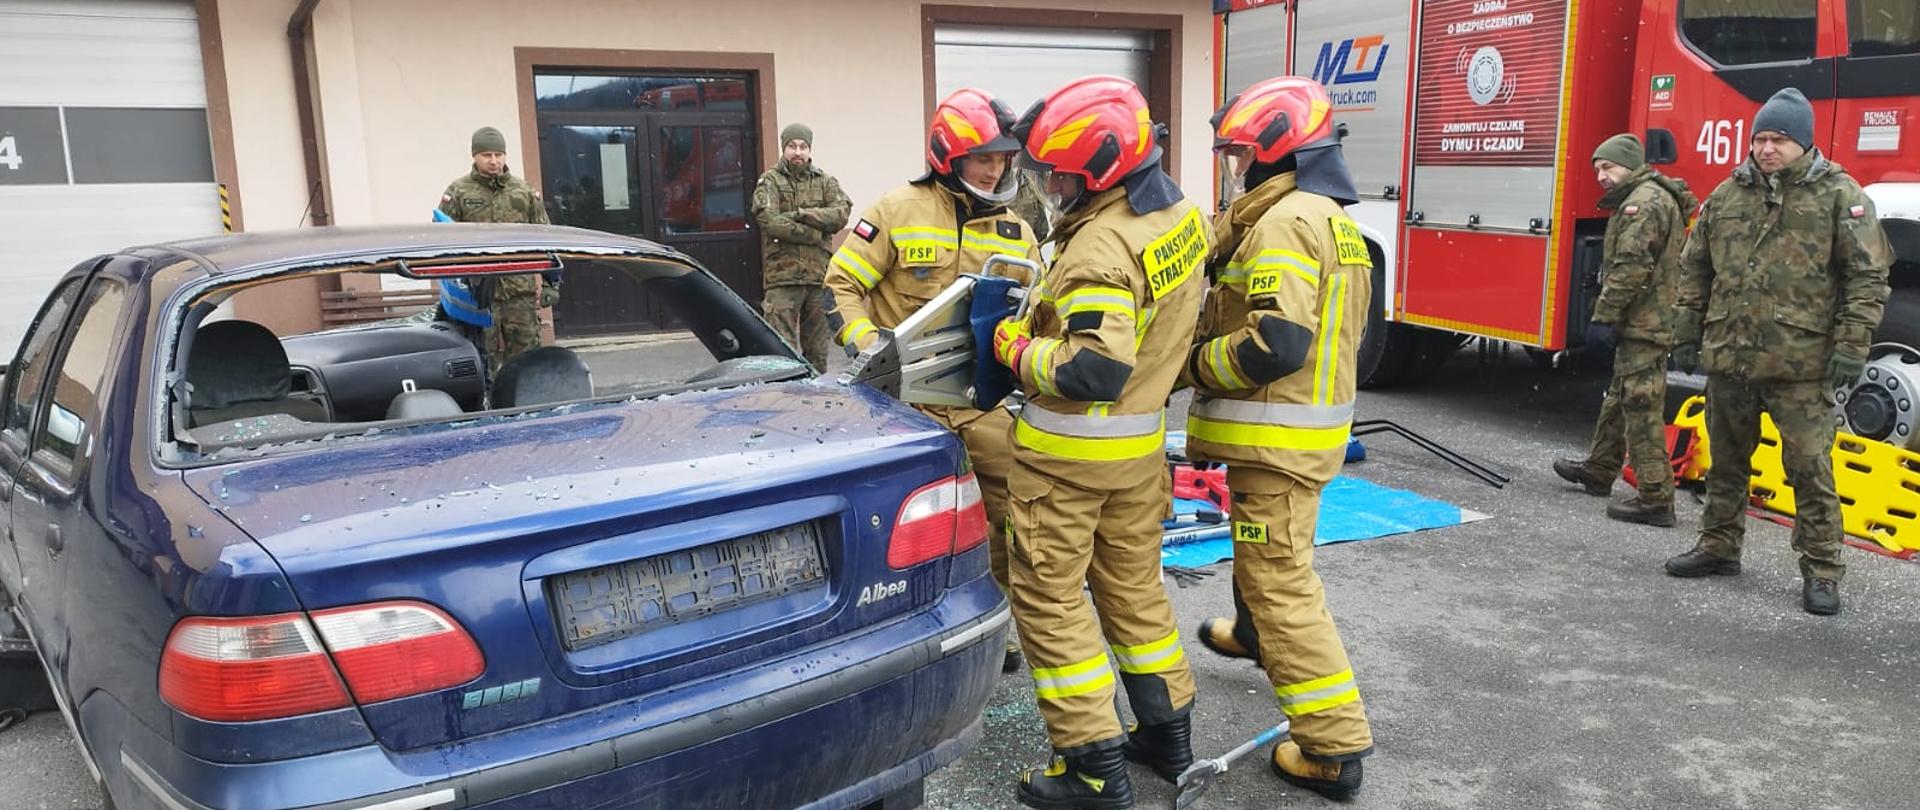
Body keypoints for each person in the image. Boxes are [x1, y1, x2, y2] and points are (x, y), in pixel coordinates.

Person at [992, 75, 1206, 809]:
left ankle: (1092, 770)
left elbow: (1093, 366)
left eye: (1059, 175)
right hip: (1138, 454)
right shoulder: (1178, 216)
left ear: (1102, 167)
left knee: (1050, 603)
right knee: (1133, 592)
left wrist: (1016, 349)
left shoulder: (1098, 248)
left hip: (1067, 460)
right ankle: (1167, 736)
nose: (1050, 186)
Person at [1181, 76, 1374, 801]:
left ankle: (1331, 747)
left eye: (1239, 157)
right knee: (1267, 556)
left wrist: (1191, 363)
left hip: (1278, 438)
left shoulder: (1286, 221)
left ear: (1273, 153)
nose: (1235, 171)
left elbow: (1276, 344)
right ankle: (1255, 637)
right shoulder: (1329, 216)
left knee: (1280, 578)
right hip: (1301, 431)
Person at [822, 88, 1041, 671]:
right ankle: (895, 633)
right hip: (906, 400)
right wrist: (870, 349)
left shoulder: (1017, 231)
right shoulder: (895, 209)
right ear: (949, 156)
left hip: (980, 401)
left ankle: (997, 623)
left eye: (1002, 158)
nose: (995, 168)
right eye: (982, 158)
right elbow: (840, 288)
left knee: (1012, 509)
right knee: (899, 520)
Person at [1665, 88, 1891, 616]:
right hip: (1731, 357)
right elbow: (1696, 267)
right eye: (1760, 138)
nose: (1767, 149)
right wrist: (1685, 331)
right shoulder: (1728, 195)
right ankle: (1718, 546)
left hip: (1802, 364)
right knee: (1726, 462)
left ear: (1804, 143)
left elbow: (1867, 277)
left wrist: (1853, 346)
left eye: (1779, 140)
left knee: (1810, 469)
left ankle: (1822, 570)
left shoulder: (1841, 195)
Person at [1552, 133, 1698, 527]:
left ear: (1630, 165)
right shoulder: (1646, 197)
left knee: (1640, 405)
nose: (1602, 175)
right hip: (1645, 318)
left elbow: (1630, 267)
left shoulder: (1642, 203)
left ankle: (1656, 498)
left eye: (1609, 167)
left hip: (1644, 322)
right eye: (1597, 168)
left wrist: (1603, 316)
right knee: (1621, 395)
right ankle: (1600, 469)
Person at [436, 126, 557, 375]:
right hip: (478, 295)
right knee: (481, 361)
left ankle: (526, 409)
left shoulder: (524, 193)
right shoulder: (458, 192)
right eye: (486, 155)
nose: (493, 161)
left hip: (519, 292)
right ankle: (486, 410)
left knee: (526, 362)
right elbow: (443, 241)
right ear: (475, 156)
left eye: (498, 154)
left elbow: (546, 238)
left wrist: (551, 283)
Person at [751, 123, 851, 372]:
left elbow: (841, 214)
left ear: (809, 150)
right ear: (784, 148)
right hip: (782, 280)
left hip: (818, 278)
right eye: (792, 146)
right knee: (779, 350)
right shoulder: (770, 181)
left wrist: (801, 214)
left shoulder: (826, 182)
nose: (798, 152)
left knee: (817, 351)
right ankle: (782, 399)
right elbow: (770, 222)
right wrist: (815, 233)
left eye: (803, 147)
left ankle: (814, 401)